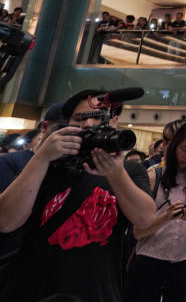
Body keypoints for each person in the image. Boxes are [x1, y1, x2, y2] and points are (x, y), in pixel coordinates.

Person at [0, 89, 155, 302]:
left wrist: (116, 174)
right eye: (80, 119)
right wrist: (42, 157)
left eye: (98, 117)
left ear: (114, 122)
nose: (89, 125)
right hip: (35, 289)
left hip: (97, 292)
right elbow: (6, 221)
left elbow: (145, 220)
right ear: (66, 124)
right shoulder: (45, 165)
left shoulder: (129, 171)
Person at [125, 121, 186, 302]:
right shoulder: (152, 176)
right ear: (173, 146)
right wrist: (166, 217)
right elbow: (138, 232)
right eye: (184, 148)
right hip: (150, 259)